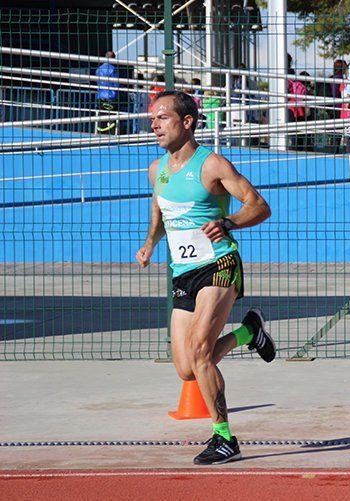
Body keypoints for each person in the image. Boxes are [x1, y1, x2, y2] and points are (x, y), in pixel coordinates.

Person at [135, 90, 275, 465]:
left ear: (187, 122)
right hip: (184, 272)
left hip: (219, 265)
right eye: (152, 118)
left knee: (199, 353)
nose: (154, 124)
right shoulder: (156, 169)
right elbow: (160, 210)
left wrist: (228, 222)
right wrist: (150, 242)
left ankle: (225, 437)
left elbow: (259, 206)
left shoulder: (211, 165)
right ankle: (249, 332)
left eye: (162, 117)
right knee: (187, 369)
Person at [95, 50, 123, 134]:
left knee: (101, 116)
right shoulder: (113, 69)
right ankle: (112, 133)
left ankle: (99, 132)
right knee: (112, 117)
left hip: (101, 96)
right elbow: (116, 83)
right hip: (111, 96)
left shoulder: (99, 69)